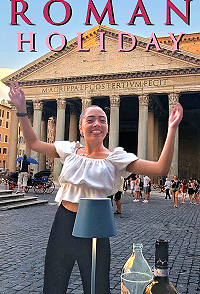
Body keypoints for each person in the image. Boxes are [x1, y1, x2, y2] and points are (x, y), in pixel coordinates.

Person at [9, 81, 183, 294]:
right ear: (81, 128)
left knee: (97, 288)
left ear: (107, 128)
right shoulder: (70, 150)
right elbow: (34, 143)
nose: (96, 124)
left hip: (96, 224)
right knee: (53, 284)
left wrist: (172, 128)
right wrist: (20, 111)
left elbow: (161, 168)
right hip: (63, 222)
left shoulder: (115, 158)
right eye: (90, 120)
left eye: (102, 120)